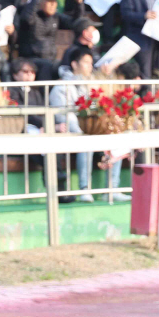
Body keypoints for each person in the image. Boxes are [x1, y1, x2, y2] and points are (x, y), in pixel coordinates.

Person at [48, 48, 97, 203]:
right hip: (70, 132)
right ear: (74, 64)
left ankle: (113, 188)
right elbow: (64, 116)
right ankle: (85, 189)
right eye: (86, 63)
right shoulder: (61, 87)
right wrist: (87, 130)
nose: (90, 67)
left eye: (91, 63)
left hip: (88, 130)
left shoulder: (88, 85)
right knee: (86, 142)